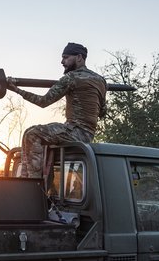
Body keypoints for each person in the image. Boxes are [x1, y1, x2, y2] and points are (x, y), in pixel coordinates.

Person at [7, 42, 107, 178]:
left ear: (79, 57)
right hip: (88, 133)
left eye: (66, 58)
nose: (62, 62)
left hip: (75, 132)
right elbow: (102, 112)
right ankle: (39, 179)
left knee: (32, 134)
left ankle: (32, 184)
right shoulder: (101, 81)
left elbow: (43, 102)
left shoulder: (71, 78)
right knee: (31, 133)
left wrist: (17, 90)